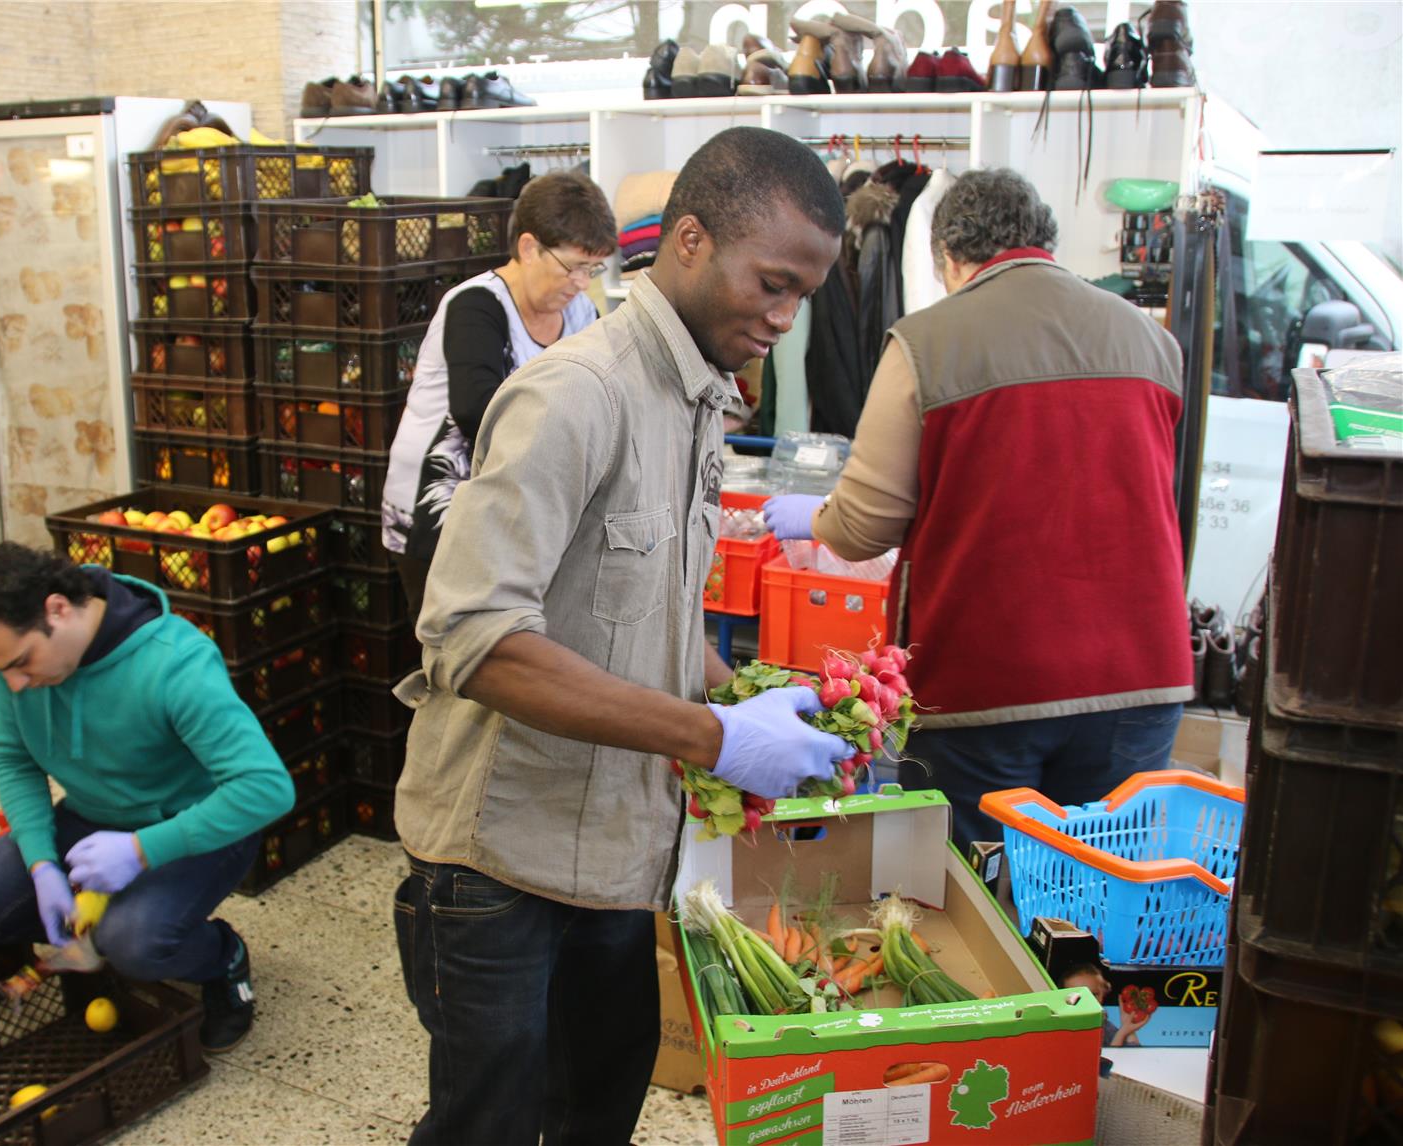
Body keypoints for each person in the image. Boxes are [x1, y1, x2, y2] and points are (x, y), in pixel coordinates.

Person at [391, 127, 852, 1145]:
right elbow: (474, 638)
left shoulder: (692, 399)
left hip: (609, 854)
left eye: (802, 296)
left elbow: (650, 603)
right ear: (688, 240)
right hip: (498, 866)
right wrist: (713, 741)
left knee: (597, 1114)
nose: (784, 318)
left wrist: (745, 696)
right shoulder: (577, 393)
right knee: (489, 1128)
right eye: (770, 283)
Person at [763, 167, 1192, 853]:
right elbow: (1167, 507)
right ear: (1044, 239)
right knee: (1097, 890)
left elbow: (864, 525)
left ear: (948, 259)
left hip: (989, 679)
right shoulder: (1151, 340)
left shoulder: (926, 343)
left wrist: (814, 517)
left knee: (973, 896)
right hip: (1144, 673)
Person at [0, 543, 294, 1052]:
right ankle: (73, 948)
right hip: (90, 819)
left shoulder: (175, 663)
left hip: (197, 828)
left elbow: (265, 788)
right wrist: (41, 864)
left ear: (58, 610)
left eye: (21, 663)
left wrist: (142, 851)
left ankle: (222, 955)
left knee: (134, 943)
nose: (15, 684)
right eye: (1, 671)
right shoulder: (15, 660)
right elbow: (14, 760)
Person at [380, 171, 618, 622]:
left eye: (593, 268)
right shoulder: (475, 306)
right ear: (529, 248)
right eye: (573, 266)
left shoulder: (581, 312)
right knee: (457, 665)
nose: (582, 282)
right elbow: (477, 411)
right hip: (441, 513)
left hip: (513, 515)